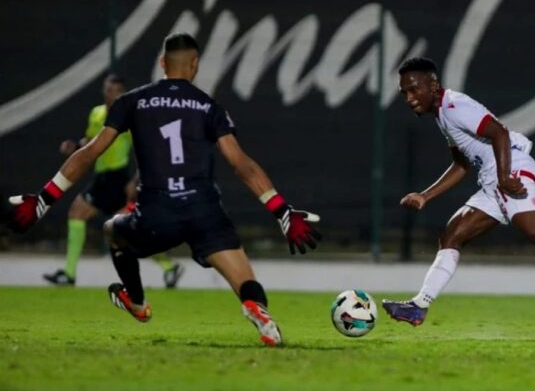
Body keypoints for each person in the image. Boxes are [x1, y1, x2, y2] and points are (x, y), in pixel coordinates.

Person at [7, 32, 322, 347]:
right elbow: (241, 164)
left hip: (157, 213)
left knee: (112, 229)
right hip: (204, 211)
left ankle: (137, 301)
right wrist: (282, 211)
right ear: (195, 64)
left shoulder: (132, 101)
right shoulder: (208, 106)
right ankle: (257, 310)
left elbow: (89, 152)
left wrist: (44, 199)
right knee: (244, 279)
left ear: (162, 63)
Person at [382, 57, 535, 326]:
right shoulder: (442, 114)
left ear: (433, 85)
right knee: (452, 235)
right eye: (404, 92)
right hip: (493, 178)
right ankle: (419, 306)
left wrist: (504, 177)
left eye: (414, 89)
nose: (409, 98)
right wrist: (425, 195)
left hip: (509, 169)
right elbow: (461, 165)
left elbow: (500, 133)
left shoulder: (454, 106)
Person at [42, 74, 184, 288]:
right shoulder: (97, 113)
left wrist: (136, 180)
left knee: (78, 214)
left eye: (115, 91)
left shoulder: (130, 117)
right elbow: (91, 141)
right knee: (126, 232)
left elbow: (146, 150)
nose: (110, 94)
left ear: (122, 93)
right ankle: (169, 267)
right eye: (108, 90)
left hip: (116, 178)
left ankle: (69, 274)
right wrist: (76, 147)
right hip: (103, 178)